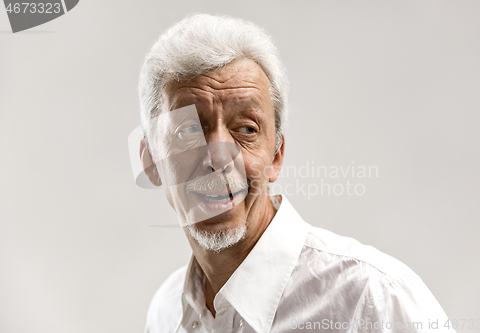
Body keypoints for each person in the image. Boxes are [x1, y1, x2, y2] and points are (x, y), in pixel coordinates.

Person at [137, 13, 455, 333]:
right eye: (189, 129)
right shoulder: (166, 311)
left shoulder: (375, 299)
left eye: (246, 129)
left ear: (277, 156)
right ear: (150, 160)